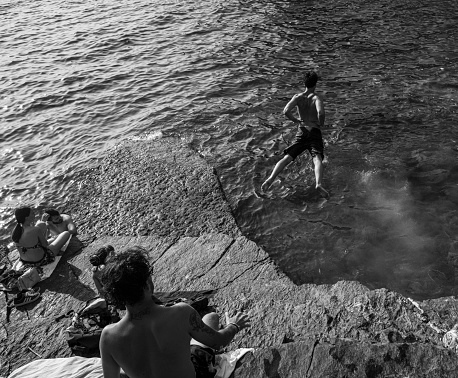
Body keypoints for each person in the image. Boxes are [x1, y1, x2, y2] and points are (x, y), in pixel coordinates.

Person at [100, 248, 250, 378]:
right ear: (147, 284)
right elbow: (219, 342)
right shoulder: (181, 312)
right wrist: (234, 325)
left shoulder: (108, 337)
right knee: (211, 317)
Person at [261, 71, 330, 199]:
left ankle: (270, 179)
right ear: (315, 84)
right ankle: (318, 184)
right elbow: (321, 113)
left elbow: (286, 111)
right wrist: (321, 124)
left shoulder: (297, 97)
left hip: (302, 130)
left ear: (304, 83)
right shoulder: (316, 98)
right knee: (317, 158)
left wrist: (296, 120)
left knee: (287, 158)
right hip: (314, 130)